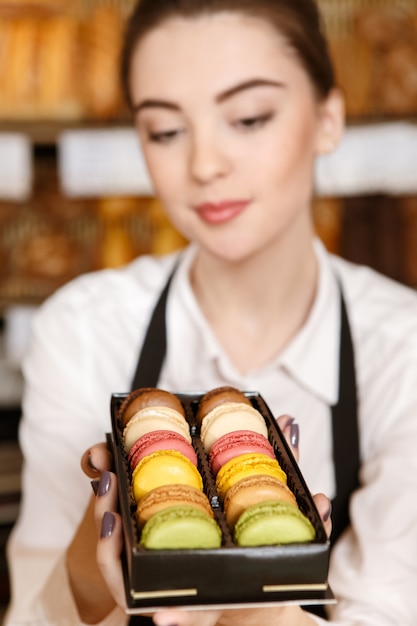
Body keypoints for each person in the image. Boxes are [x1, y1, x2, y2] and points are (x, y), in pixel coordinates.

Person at [5, 0, 417, 625]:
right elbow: (30, 614)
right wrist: (95, 563)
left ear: (329, 118)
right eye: (166, 131)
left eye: (248, 118)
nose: (204, 166)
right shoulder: (85, 329)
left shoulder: (403, 348)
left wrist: (253, 604)